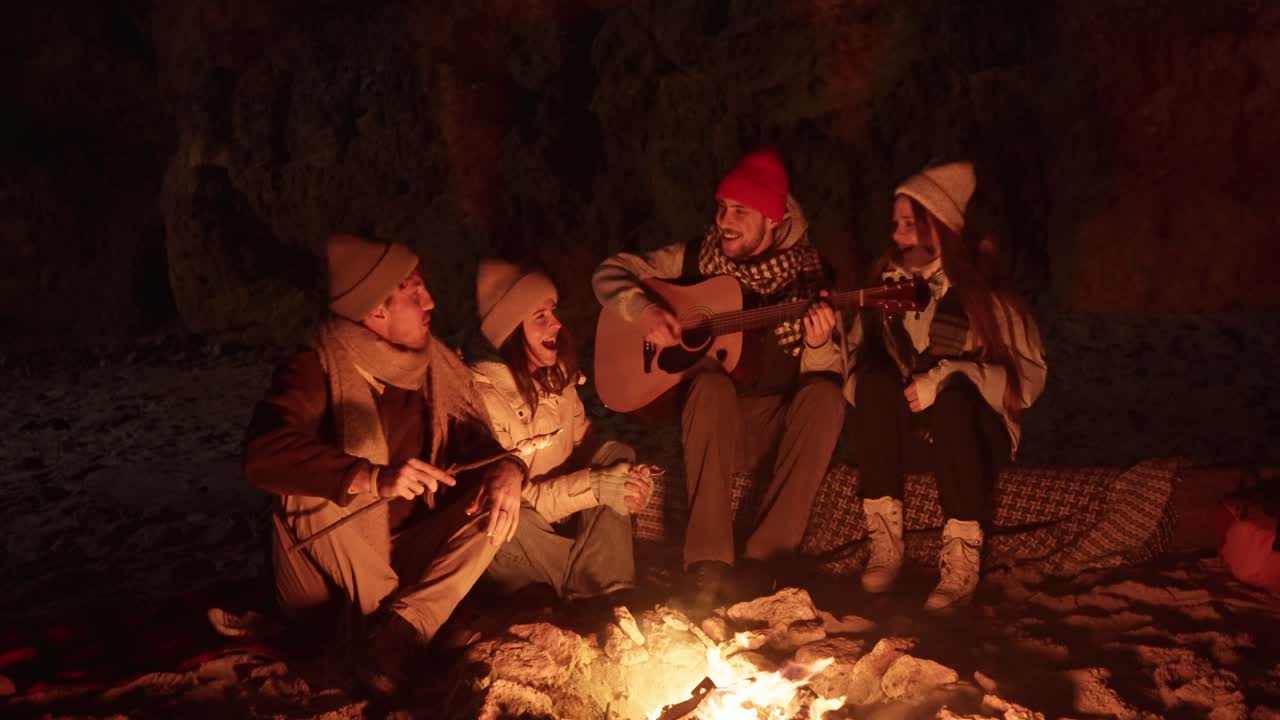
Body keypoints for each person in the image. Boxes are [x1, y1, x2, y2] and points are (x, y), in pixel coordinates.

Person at [243, 234, 525, 695]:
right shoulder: (316, 367)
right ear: (376, 310)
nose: (430, 300)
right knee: (299, 487)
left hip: (406, 550)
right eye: (414, 291)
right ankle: (406, 625)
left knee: (497, 498)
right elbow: (261, 455)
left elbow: (480, 451)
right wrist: (371, 478)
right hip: (327, 575)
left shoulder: (436, 369)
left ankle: (399, 629)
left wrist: (510, 468)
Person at [592, 147, 846, 610]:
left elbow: (826, 374)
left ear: (772, 218)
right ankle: (707, 565)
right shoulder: (692, 256)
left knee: (827, 397)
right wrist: (644, 309)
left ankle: (766, 561)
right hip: (710, 422)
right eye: (721, 207)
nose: (724, 221)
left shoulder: (812, 275)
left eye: (740, 212)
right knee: (709, 384)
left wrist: (817, 344)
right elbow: (609, 273)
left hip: (771, 423)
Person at [801, 162, 1048, 610]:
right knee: (875, 381)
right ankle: (885, 545)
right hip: (909, 436)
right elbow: (848, 369)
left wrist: (951, 375)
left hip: (972, 437)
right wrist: (819, 343)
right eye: (895, 225)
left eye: (910, 225)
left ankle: (960, 559)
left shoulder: (985, 294)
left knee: (954, 400)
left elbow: (1027, 383)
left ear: (942, 228)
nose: (898, 236)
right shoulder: (883, 289)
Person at [468, 259, 655, 603]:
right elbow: (518, 499)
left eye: (552, 311)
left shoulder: (557, 380)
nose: (555, 323)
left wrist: (627, 483)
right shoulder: (483, 396)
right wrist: (597, 487)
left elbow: (586, 446)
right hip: (518, 541)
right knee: (502, 513)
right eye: (540, 316)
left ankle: (596, 589)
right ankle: (600, 593)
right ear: (510, 329)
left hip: (560, 526)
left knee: (618, 456)